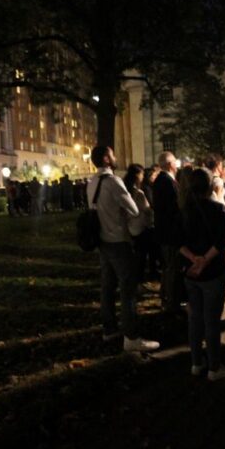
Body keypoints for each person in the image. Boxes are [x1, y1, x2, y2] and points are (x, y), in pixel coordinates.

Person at [87, 146, 159, 352]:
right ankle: (131, 336)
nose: (115, 157)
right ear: (106, 159)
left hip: (102, 242)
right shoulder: (114, 182)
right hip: (119, 241)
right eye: (112, 154)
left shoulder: (91, 183)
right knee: (128, 290)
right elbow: (134, 210)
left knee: (107, 288)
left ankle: (109, 329)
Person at [179, 168, 225, 381]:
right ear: (210, 186)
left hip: (190, 273)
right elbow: (221, 243)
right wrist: (204, 260)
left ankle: (196, 363)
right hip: (213, 272)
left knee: (195, 319)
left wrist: (194, 260)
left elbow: (178, 242)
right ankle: (214, 367)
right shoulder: (219, 210)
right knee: (211, 320)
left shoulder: (183, 211)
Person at [153, 151, 185, 313]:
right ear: (170, 164)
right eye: (175, 162)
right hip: (170, 232)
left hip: (163, 230)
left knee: (168, 266)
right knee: (172, 267)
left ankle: (166, 296)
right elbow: (174, 208)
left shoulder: (160, 180)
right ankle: (172, 303)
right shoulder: (167, 182)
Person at [123, 163, 155, 284]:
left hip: (130, 227)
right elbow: (147, 210)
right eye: (141, 174)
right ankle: (139, 279)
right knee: (141, 256)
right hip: (141, 228)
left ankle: (136, 277)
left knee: (136, 255)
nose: (143, 176)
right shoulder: (138, 193)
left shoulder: (126, 191)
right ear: (137, 175)